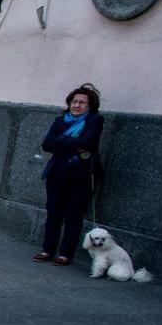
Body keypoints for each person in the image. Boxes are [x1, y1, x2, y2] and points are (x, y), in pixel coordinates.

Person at [35, 85, 104, 266]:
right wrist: (72, 144)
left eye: (82, 102)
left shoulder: (94, 121)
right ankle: (47, 249)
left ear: (90, 106)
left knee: (73, 216)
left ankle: (65, 253)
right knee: (53, 213)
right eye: (74, 101)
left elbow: (88, 141)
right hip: (57, 173)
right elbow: (47, 144)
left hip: (81, 175)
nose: (77, 105)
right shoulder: (60, 121)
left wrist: (61, 142)